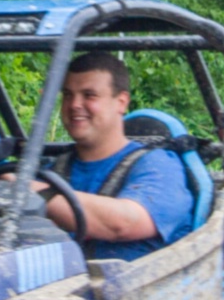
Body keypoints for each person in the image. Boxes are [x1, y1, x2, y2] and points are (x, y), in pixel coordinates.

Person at [35, 52, 195, 263]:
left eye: (89, 95)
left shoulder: (159, 166)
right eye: (68, 95)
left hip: (141, 291)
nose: (74, 105)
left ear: (121, 102)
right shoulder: (54, 169)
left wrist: (28, 191)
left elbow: (122, 223)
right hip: (58, 290)